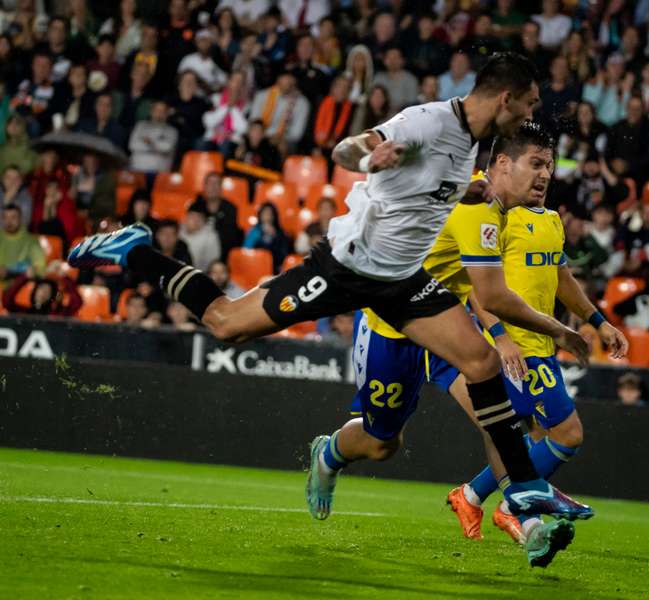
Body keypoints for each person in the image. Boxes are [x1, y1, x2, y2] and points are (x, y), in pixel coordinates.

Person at [67, 53, 595, 528]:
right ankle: (136, 250)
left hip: (405, 280)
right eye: (528, 103)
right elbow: (347, 148)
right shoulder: (428, 121)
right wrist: (369, 158)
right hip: (347, 266)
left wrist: (467, 188)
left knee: (481, 364)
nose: (529, 115)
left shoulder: (472, 144)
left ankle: (524, 489)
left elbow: (427, 187)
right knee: (226, 324)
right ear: (505, 97)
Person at [319, 124, 625, 565]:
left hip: (443, 323)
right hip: (394, 324)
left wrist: (588, 320)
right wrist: (543, 332)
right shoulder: (479, 207)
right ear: (503, 164)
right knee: (380, 442)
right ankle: (329, 455)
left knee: (499, 418)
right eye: (536, 164)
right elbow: (492, 294)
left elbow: (485, 287)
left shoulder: (516, 213)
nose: (545, 175)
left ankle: (527, 523)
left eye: (549, 167)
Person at [188, 172, 243, 259]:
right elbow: (189, 231)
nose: (213, 187)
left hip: (222, 255)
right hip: (197, 251)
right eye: (209, 183)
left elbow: (231, 238)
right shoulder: (195, 206)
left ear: (221, 188)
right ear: (204, 186)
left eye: (216, 183)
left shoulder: (230, 209)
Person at [1, 265, 82, 316]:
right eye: (41, 289)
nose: (43, 293)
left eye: (48, 291)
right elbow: (7, 301)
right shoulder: (24, 313)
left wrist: (65, 278)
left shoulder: (56, 315)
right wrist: (25, 277)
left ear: (51, 297)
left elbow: (76, 303)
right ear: (34, 292)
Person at [129, 100, 178, 176]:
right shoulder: (140, 125)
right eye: (156, 110)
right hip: (136, 170)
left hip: (159, 174)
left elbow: (166, 148)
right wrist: (156, 146)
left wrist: (148, 142)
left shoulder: (172, 131)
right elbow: (133, 145)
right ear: (151, 111)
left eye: (163, 111)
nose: (159, 113)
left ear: (167, 113)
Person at [0, 204, 45, 283]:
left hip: (22, 286)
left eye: (13, 217)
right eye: (5, 218)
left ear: (20, 219)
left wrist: (32, 271)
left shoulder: (31, 241)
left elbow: (40, 268)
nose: (9, 222)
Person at [243, 202, 292, 272]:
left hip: (274, 268)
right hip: (255, 265)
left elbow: (283, 255)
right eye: (265, 214)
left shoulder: (280, 233)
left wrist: (275, 237)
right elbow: (246, 250)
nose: (267, 216)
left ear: (274, 216)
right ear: (260, 215)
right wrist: (259, 236)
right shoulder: (254, 231)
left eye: (270, 214)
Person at [372, 46, 419, 114]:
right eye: (389, 58)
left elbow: (412, 105)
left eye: (396, 58)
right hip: (379, 117)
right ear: (384, 61)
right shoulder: (378, 78)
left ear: (402, 60)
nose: (392, 61)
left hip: (403, 119)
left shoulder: (411, 79)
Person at [180, 206, 221, 273]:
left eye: (199, 217)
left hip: (199, 274)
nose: (195, 221)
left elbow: (212, 263)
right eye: (192, 216)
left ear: (204, 221)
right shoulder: (177, 230)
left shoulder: (211, 237)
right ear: (186, 217)